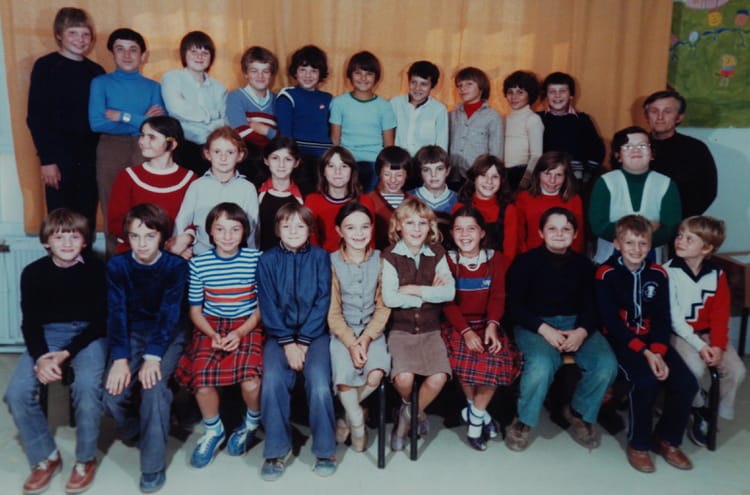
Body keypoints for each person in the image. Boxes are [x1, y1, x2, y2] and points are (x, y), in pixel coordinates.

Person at [4, 209, 106, 495]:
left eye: (74, 236)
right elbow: (30, 322)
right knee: (16, 393)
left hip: (87, 334)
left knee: (86, 388)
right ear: (46, 242)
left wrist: (66, 354)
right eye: (59, 237)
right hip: (47, 335)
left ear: (84, 241)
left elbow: (101, 322)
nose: (67, 243)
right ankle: (46, 457)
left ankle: (85, 460)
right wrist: (41, 357)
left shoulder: (97, 270)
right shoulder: (33, 272)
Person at [505, 207, 617, 452]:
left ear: (575, 234)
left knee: (605, 365)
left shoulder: (584, 265)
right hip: (536, 325)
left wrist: (582, 331)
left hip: (576, 324)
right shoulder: (525, 262)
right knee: (541, 365)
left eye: (566, 229)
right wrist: (544, 329)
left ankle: (578, 411)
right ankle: (524, 420)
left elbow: (593, 305)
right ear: (541, 232)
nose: (559, 234)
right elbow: (513, 306)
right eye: (552, 228)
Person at [595, 214, 698, 473]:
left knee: (686, 382)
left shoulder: (658, 274)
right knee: (645, 381)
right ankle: (638, 444)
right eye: (629, 243)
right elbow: (611, 323)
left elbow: (662, 318)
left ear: (650, 246)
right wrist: (644, 352)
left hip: (653, 341)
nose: (636, 249)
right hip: (620, 340)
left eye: (642, 244)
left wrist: (658, 352)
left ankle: (667, 439)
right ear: (617, 244)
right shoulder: (605, 274)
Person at [103, 203, 188, 492]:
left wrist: (153, 357)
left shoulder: (175, 266)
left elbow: (170, 314)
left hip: (168, 333)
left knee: (153, 389)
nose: (142, 244)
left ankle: (151, 467)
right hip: (131, 333)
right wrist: (120, 359)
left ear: (162, 237)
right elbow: (116, 313)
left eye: (149, 236)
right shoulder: (117, 266)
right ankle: (137, 430)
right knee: (112, 395)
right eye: (135, 236)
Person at [174, 203, 264, 467]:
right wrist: (212, 334)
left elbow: (261, 307)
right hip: (211, 324)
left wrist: (240, 331)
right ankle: (214, 430)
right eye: (220, 229)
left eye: (235, 229)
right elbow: (195, 311)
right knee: (202, 379)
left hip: (247, 323)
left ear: (244, 232)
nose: (227, 236)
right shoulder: (199, 264)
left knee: (251, 382)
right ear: (210, 233)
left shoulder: (256, 259)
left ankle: (251, 423)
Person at [257, 202, 336, 480]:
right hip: (279, 336)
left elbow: (323, 301)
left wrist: (303, 341)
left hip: (315, 335)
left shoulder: (321, 258)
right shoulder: (267, 260)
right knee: (272, 382)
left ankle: (325, 449)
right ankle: (276, 449)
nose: (293, 231)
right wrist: (288, 343)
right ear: (277, 229)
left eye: (300, 225)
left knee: (320, 384)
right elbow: (268, 304)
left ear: (310, 229)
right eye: (286, 225)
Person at [441, 206, 522, 451]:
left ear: (482, 233)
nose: (465, 235)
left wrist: (492, 325)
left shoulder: (494, 258)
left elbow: (497, 296)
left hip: (487, 323)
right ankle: (477, 424)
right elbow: (447, 301)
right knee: (466, 359)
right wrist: (465, 332)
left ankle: (474, 414)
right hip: (457, 325)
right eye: (459, 229)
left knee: (494, 359)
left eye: (471, 229)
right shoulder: (446, 260)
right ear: (452, 233)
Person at [664, 216, 746, 446]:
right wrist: (702, 347)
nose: (680, 241)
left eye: (689, 239)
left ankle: (710, 410)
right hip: (679, 334)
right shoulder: (667, 272)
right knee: (694, 368)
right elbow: (675, 320)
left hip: (708, 333)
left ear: (707, 248)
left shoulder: (716, 275)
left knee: (737, 370)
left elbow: (720, 315)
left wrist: (717, 346)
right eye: (680, 235)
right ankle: (698, 407)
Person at [381, 197, 455, 451]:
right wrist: (429, 294)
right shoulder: (390, 255)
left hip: (431, 330)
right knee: (403, 378)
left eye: (422, 223)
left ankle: (406, 418)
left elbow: (448, 293)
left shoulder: (437, 253)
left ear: (430, 227)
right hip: (400, 330)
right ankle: (417, 411)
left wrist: (412, 289)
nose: (416, 229)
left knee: (438, 377)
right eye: (409, 223)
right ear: (398, 226)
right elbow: (390, 299)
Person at [89, 28, 165, 256]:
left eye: (133, 49)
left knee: (147, 208)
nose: (127, 55)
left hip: (147, 148)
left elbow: (157, 126)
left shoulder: (154, 87)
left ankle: (148, 263)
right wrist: (142, 120)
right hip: (111, 148)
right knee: (113, 209)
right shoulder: (100, 83)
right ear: (111, 54)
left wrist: (123, 116)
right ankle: (116, 266)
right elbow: (97, 123)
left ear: (143, 55)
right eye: (120, 49)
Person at [27, 7, 104, 230]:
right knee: (60, 220)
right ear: (59, 34)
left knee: (85, 218)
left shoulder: (96, 71)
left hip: (90, 159)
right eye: (73, 33)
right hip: (58, 159)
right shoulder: (46, 66)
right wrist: (47, 160)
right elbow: (36, 116)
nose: (80, 39)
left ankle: (84, 254)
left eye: (85, 34)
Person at [328, 202, 391, 453]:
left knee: (375, 374)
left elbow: (383, 307)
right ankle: (356, 423)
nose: (358, 233)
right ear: (339, 231)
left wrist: (365, 339)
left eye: (364, 227)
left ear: (372, 229)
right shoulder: (331, 262)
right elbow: (333, 313)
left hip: (372, 332)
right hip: (342, 333)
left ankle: (345, 417)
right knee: (344, 377)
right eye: (350, 227)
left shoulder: (381, 260)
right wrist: (351, 343)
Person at [589, 126, 682, 264]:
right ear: (618, 155)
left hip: (653, 260)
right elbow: (598, 226)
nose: (636, 150)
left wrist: (626, 232)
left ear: (652, 153)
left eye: (642, 145)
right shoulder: (605, 182)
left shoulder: (666, 184)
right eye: (628, 146)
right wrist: (646, 228)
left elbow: (671, 229)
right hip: (609, 259)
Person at [108, 116, 196, 254]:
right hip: (134, 253)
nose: (143, 141)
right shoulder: (127, 176)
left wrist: (186, 239)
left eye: (152, 137)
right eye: (142, 135)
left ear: (172, 144)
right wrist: (160, 246)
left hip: (175, 254)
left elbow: (196, 220)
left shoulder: (190, 178)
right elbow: (115, 223)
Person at [171, 126, 259, 258]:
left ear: (240, 155)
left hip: (236, 256)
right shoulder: (197, 186)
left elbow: (253, 227)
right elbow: (182, 221)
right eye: (217, 152)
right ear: (208, 154)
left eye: (230, 152)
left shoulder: (247, 188)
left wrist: (252, 257)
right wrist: (179, 248)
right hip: (201, 255)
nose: (223, 158)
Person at [329, 50, 397, 193]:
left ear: (376, 77)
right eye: (358, 73)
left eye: (369, 74)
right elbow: (335, 141)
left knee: (369, 201)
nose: (363, 78)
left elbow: (388, 145)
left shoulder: (384, 106)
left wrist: (386, 170)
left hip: (374, 164)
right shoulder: (339, 103)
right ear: (350, 75)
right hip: (346, 162)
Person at [161, 31, 226, 176]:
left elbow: (224, 120)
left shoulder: (219, 87)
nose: (199, 56)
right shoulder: (172, 78)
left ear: (211, 57)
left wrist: (203, 122)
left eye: (205, 52)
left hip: (212, 145)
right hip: (182, 144)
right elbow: (177, 109)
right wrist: (212, 114)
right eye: (194, 51)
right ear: (183, 54)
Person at [644, 90, 718, 218]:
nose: (660, 117)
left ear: (679, 117)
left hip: (680, 222)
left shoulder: (696, 149)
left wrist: (676, 221)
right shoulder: (633, 146)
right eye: (654, 111)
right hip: (636, 224)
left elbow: (707, 191)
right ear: (646, 116)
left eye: (667, 112)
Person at [276, 45, 333, 195]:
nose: (308, 75)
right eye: (303, 69)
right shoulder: (288, 95)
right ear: (295, 72)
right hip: (299, 157)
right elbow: (285, 133)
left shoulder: (328, 99)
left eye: (314, 70)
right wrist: (292, 157)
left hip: (323, 158)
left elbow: (333, 131)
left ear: (321, 73)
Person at [537, 72, 605, 186]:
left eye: (562, 91)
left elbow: (597, 149)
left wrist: (588, 174)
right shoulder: (537, 119)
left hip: (575, 179)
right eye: (552, 91)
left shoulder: (583, 120)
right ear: (546, 95)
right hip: (544, 178)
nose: (557, 95)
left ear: (571, 95)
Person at [304, 146, 375, 252]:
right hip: (322, 259)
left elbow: (370, 242)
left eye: (344, 166)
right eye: (331, 166)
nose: (338, 171)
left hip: (357, 258)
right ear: (323, 171)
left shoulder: (365, 201)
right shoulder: (312, 201)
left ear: (352, 171)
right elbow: (310, 242)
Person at [226, 46, 279, 186]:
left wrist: (265, 130)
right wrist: (273, 137)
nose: (260, 76)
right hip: (248, 159)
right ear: (245, 73)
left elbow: (283, 136)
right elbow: (241, 133)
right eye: (254, 71)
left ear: (271, 74)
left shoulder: (278, 100)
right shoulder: (235, 97)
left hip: (274, 159)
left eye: (265, 71)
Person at [453, 155, 520, 262]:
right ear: (474, 178)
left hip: (499, 267)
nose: (489, 181)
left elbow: (510, 252)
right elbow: (456, 247)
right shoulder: (460, 208)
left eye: (495, 177)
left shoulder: (509, 210)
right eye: (483, 175)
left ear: (502, 180)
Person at [515, 151, 584, 253]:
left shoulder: (574, 200)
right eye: (547, 174)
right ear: (538, 174)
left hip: (564, 256)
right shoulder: (523, 198)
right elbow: (518, 236)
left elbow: (578, 238)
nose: (552, 180)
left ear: (566, 177)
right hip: (532, 256)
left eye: (558, 175)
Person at [448, 67, 503, 181]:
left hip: (478, 177)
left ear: (481, 87)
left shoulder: (493, 117)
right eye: (460, 85)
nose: (463, 88)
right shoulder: (451, 115)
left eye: (469, 84)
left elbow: (496, 152)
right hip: (452, 176)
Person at [390, 60, 449, 156]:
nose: (417, 88)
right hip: (398, 160)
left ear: (433, 86)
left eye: (424, 84)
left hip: (425, 162)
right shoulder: (395, 103)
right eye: (413, 82)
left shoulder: (439, 109)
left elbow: (442, 144)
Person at [257, 136, 304, 251]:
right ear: (266, 160)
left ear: (296, 163)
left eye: (288, 159)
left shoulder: (305, 196)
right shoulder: (255, 192)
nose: (281, 164)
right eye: (275, 158)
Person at [502, 70, 544, 190]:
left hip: (521, 172)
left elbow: (536, 155)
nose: (514, 97)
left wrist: (525, 180)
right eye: (510, 92)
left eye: (520, 92)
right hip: (503, 173)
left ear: (530, 94)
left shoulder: (532, 119)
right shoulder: (503, 119)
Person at [367, 145, 413, 249]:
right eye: (387, 174)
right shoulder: (368, 200)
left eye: (399, 175)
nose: (393, 180)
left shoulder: (414, 202)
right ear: (379, 173)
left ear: (407, 175)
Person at [408, 145, 457, 240]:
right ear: (420, 173)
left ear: (448, 171)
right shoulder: (408, 197)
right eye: (426, 170)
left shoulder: (459, 199)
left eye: (439, 169)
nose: (433, 174)